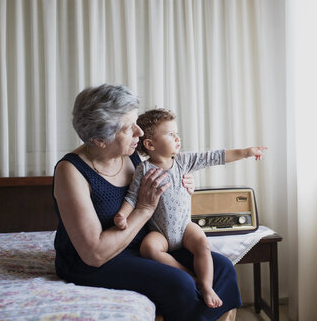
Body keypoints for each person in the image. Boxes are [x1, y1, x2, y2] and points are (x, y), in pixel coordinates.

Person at [52, 84, 241, 321]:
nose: (139, 133)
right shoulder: (71, 172)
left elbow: (163, 173)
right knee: (180, 283)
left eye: (136, 123)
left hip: (141, 245)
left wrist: (181, 186)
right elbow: (94, 254)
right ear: (100, 140)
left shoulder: (129, 154)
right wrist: (144, 209)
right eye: (128, 128)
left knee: (222, 267)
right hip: (98, 261)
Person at [113, 108, 266, 309]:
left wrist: (246, 152)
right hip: (159, 232)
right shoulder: (144, 170)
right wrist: (122, 215)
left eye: (177, 133)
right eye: (170, 134)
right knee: (148, 248)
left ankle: (207, 286)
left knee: (202, 243)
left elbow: (214, 157)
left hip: (185, 228)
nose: (177, 138)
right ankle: (188, 276)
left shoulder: (183, 162)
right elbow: (132, 197)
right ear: (150, 144)